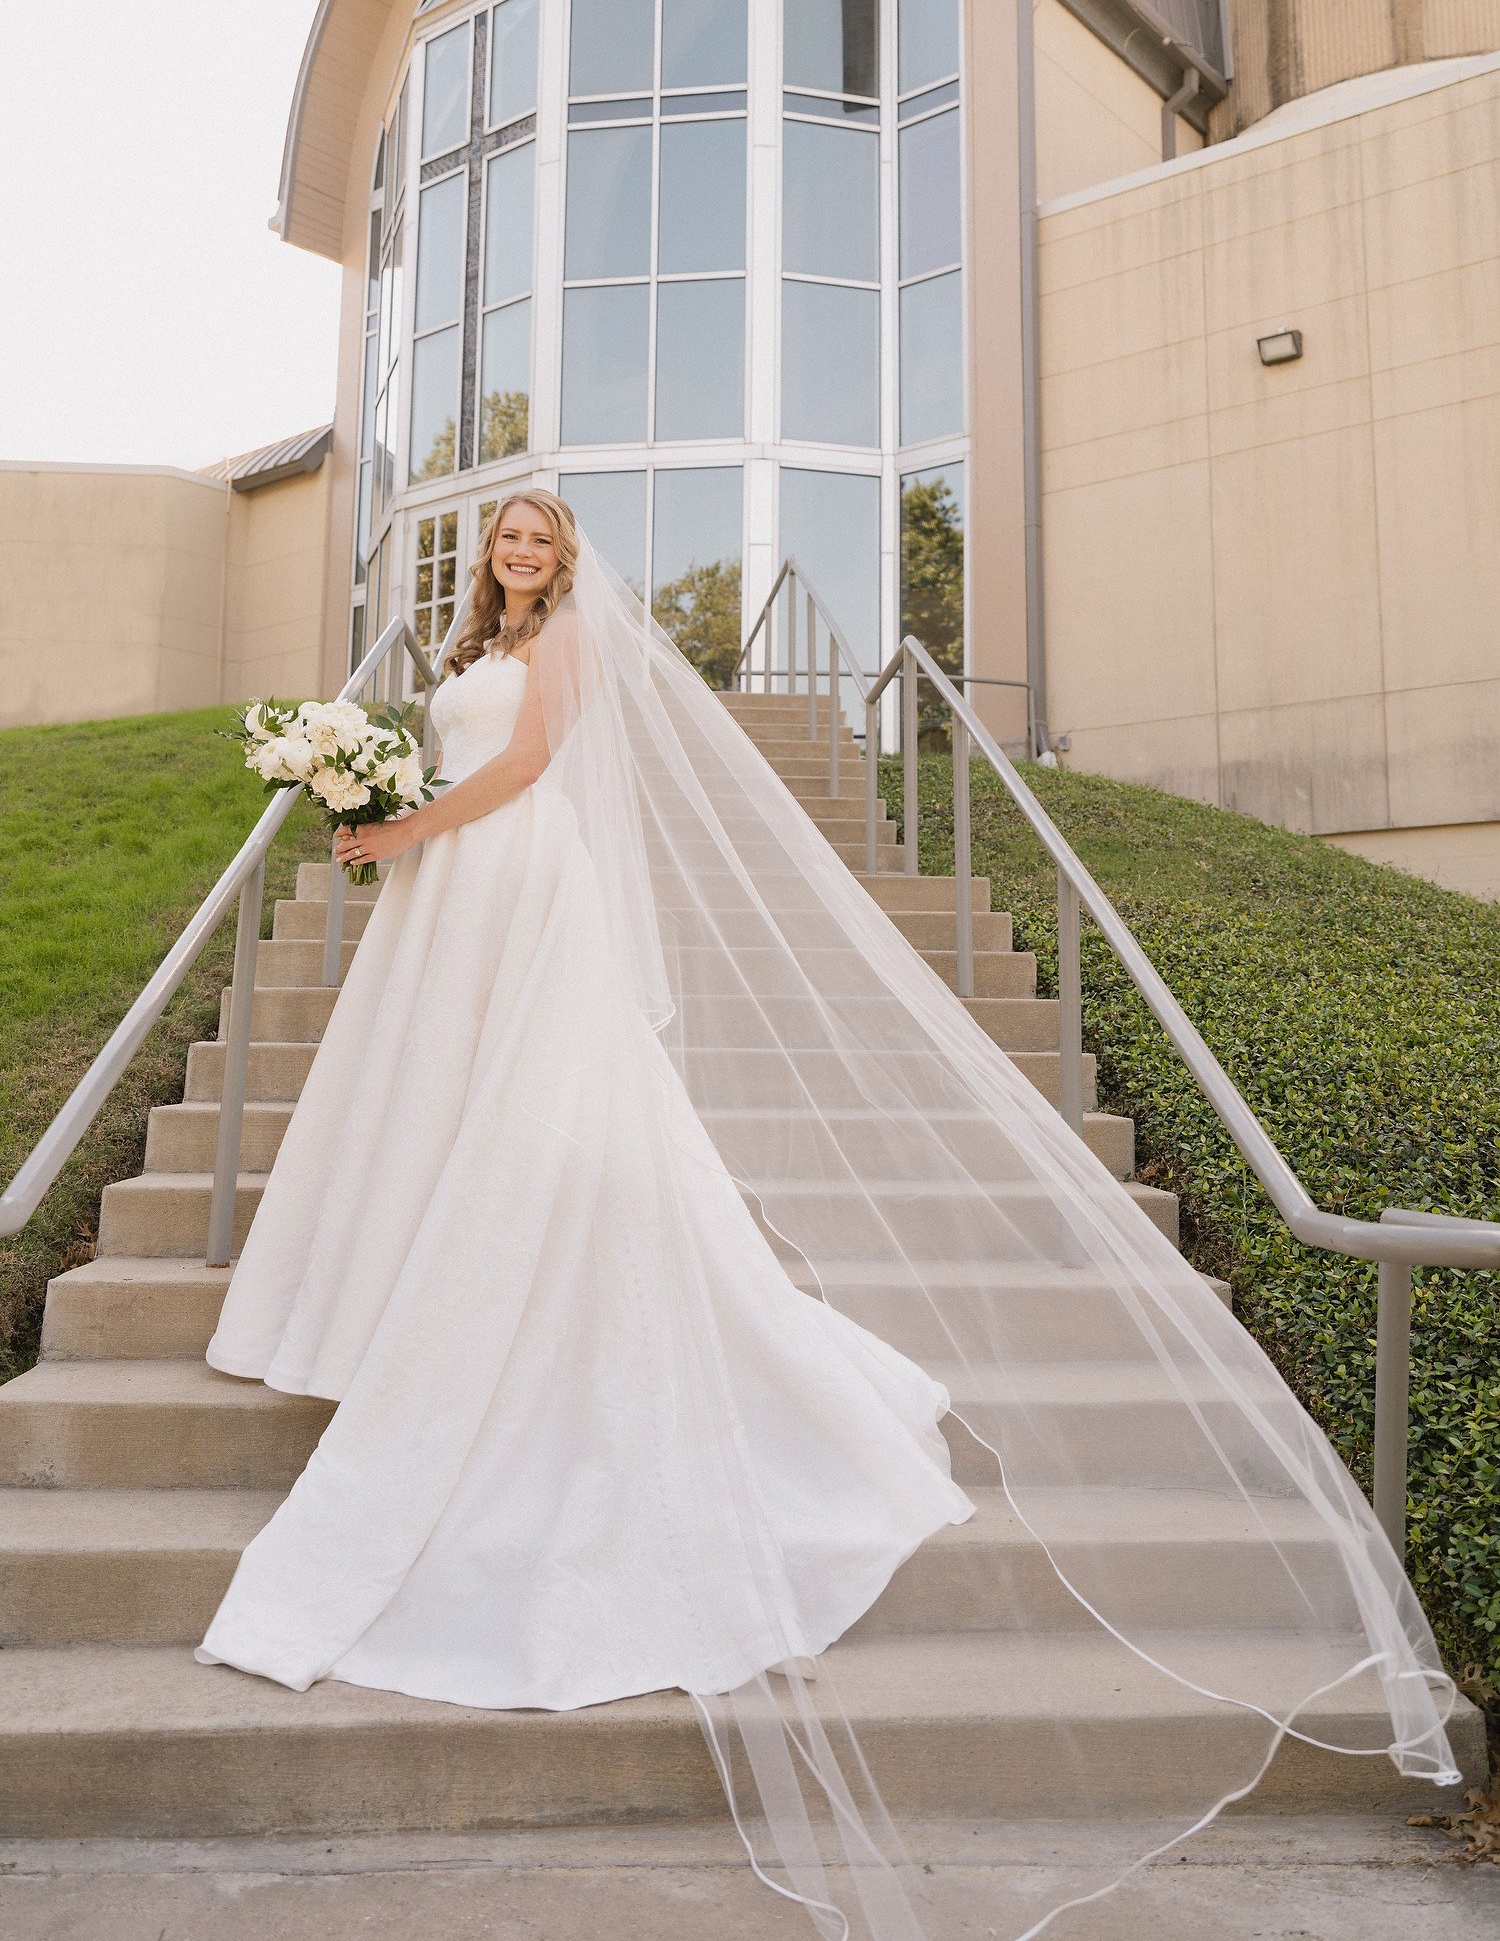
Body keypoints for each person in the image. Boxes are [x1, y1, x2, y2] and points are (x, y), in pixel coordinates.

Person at [198, 489, 1464, 1940]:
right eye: (508, 541)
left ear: (566, 561)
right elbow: (465, 749)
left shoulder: (565, 650)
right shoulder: (471, 643)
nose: (524, 558)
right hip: (448, 885)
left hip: (518, 881)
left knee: (536, 1121)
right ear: (485, 556)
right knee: (436, 1094)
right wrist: (372, 802)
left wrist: (406, 822)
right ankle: (387, 1289)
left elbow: (537, 764)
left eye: (543, 542)